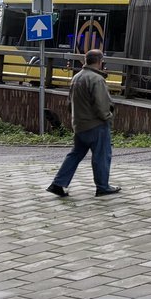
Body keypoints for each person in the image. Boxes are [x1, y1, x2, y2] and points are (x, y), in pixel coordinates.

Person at [47, 48, 121, 197]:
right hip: (96, 124)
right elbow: (101, 104)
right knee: (101, 155)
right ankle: (102, 186)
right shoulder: (97, 79)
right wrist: (108, 118)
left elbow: (69, 103)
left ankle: (58, 183)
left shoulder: (77, 77)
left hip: (79, 123)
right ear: (100, 62)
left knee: (75, 154)